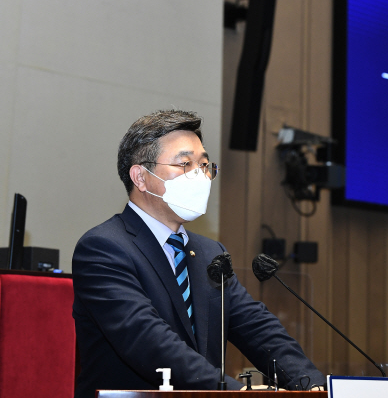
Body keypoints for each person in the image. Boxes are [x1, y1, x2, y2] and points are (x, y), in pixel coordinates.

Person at [72, 109, 325, 398]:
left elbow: (255, 326)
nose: (200, 175)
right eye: (185, 164)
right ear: (140, 177)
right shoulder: (103, 248)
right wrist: (235, 392)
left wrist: (310, 384)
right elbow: (147, 340)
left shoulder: (210, 252)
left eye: (204, 165)